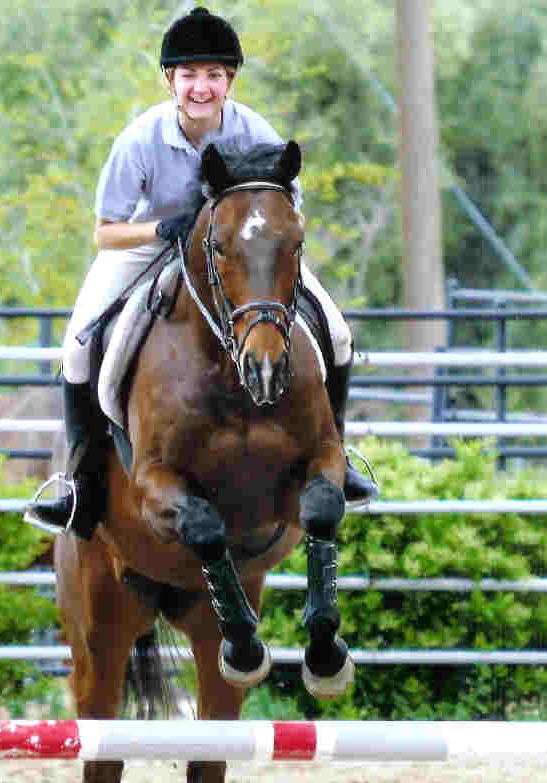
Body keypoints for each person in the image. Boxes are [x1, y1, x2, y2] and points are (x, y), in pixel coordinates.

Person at [26, 6, 378, 539]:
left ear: (229, 80)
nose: (201, 87)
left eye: (214, 75)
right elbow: (105, 232)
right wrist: (160, 230)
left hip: (239, 256)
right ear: (170, 80)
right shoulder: (140, 139)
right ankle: (79, 482)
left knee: (340, 334)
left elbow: (287, 213)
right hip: (148, 244)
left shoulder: (253, 129)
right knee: (78, 347)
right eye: (189, 75)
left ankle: (339, 457)